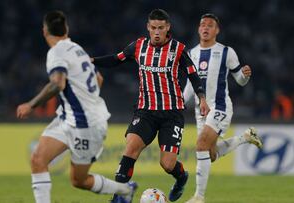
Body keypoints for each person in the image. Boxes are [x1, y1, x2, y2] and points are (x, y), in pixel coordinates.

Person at [16, 11, 137, 203]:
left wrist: (31, 105)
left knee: (78, 180)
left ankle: (125, 190)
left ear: (44, 31)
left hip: (85, 126)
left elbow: (57, 83)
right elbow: (99, 78)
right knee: (38, 159)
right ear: (67, 29)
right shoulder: (77, 49)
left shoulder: (56, 53)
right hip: (68, 118)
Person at [92, 9, 208, 202]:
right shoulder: (138, 46)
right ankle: (118, 197)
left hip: (172, 114)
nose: (156, 32)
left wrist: (202, 98)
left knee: (167, 164)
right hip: (146, 111)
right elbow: (116, 59)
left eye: (160, 28)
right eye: (153, 28)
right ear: (148, 27)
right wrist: (93, 60)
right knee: (130, 148)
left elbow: (192, 74)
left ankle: (181, 177)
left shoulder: (178, 49)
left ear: (167, 28)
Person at [184, 14, 263, 203]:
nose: (205, 28)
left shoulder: (227, 52)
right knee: (208, 155)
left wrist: (245, 75)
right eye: (202, 24)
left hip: (220, 107)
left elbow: (240, 81)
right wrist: (177, 103)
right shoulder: (191, 54)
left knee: (201, 145)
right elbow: (189, 86)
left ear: (216, 31)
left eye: (210, 25)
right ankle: (244, 137)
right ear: (198, 29)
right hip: (200, 111)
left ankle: (198, 197)